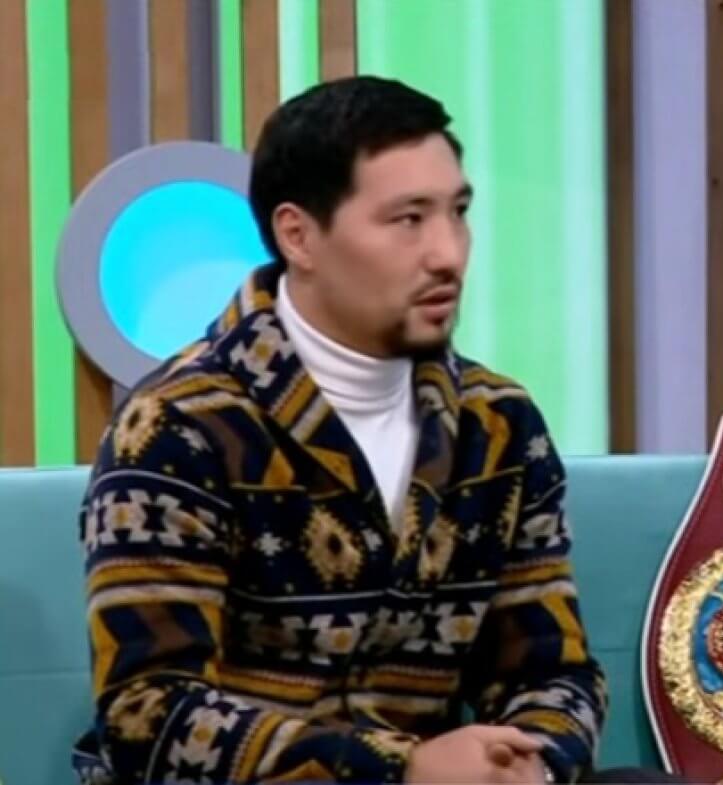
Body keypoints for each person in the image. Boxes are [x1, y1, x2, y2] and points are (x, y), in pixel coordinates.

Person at [71, 75, 660, 785]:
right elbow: (147, 716)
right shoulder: (179, 426)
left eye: (458, 212)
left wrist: (529, 765)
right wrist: (400, 768)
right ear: (298, 236)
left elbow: (549, 670)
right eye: (408, 219)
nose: (448, 253)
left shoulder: (498, 421)